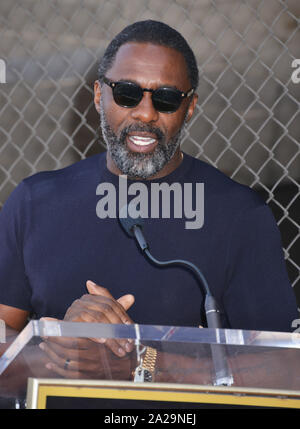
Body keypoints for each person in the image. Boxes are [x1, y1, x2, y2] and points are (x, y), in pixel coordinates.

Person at [0, 21, 298, 381]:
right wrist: (64, 352)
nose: (145, 113)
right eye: (127, 93)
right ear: (98, 95)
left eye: (167, 98)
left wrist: (141, 363)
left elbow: (286, 368)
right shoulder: (34, 203)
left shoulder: (238, 216)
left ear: (189, 109)